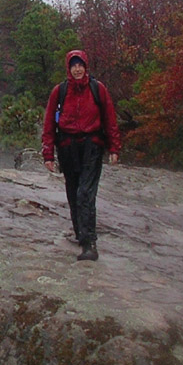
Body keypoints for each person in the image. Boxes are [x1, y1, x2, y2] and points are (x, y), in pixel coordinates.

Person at [42, 50, 121, 261]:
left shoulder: (98, 89)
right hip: (68, 147)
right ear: (69, 68)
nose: (77, 69)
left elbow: (109, 119)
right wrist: (48, 153)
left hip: (91, 146)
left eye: (80, 65)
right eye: (73, 65)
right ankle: (80, 234)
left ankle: (89, 243)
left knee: (85, 193)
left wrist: (114, 147)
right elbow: (49, 123)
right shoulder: (59, 91)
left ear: (86, 67)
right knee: (73, 192)